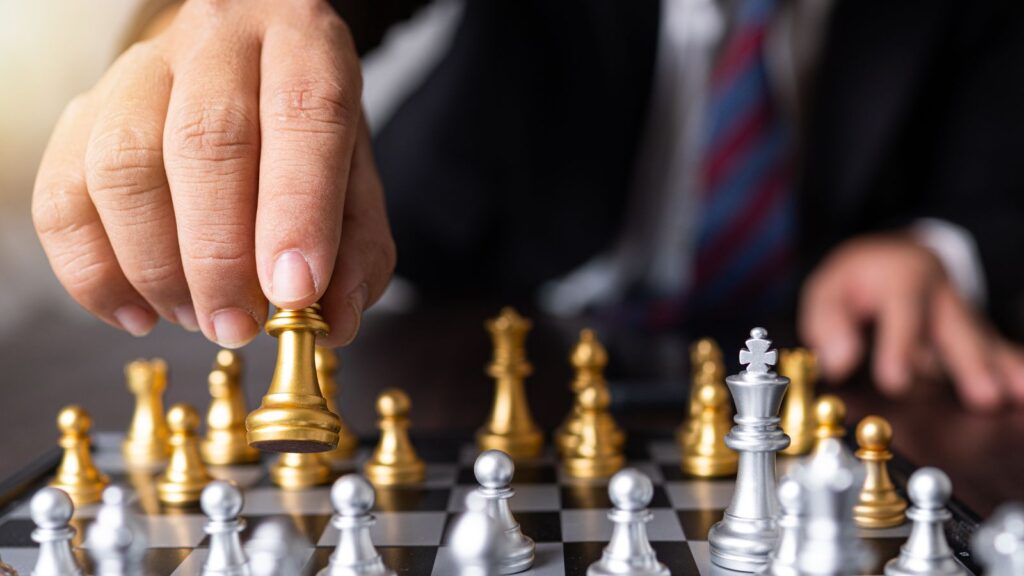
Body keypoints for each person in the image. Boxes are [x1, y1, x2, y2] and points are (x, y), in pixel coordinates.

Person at [30, 0, 1024, 410]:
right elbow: (245, 19)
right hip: (457, 312)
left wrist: (939, 247)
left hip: (811, 367)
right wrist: (196, 31)